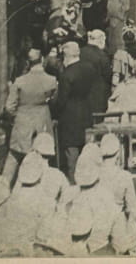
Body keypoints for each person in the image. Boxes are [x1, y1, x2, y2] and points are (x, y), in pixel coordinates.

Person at [4, 47, 57, 166]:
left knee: (15, 156)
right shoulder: (51, 81)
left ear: (27, 63)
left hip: (22, 121)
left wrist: (16, 116)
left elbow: (9, 107)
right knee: (43, 157)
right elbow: (55, 102)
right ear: (42, 60)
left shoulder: (19, 81)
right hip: (43, 122)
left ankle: (4, 183)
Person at [52, 40, 97, 181]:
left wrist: (54, 112)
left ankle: (74, 182)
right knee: (86, 150)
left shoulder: (66, 75)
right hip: (86, 111)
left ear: (67, 56)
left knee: (72, 153)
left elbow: (62, 100)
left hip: (70, 117)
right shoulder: (89, 68)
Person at [108, 27, 136, 118]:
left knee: (126, 116)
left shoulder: (119, 55)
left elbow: (115, 77)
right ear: (135, 38)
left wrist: (113, 91)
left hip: (126, 88)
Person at [80, 29, 111, 116]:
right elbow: (108, 76)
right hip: (98, 94)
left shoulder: (80, 52)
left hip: (82, 92)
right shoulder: (102, 56)